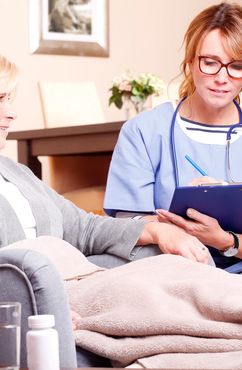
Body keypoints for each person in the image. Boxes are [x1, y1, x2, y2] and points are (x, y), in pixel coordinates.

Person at [0, 43, 211, 277]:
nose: (13, 112)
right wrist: (27, 299)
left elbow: (83, 226)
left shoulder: (8, 168)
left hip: (75, 275)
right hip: (25, 290)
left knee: (172, 258)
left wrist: (156, 232)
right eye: (0, 98)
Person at [104, 2, 242, 270]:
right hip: (170, 270)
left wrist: (226, 240)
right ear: (190, 62)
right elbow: (127, 222)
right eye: (210, 62)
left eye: (236, 65)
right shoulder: (144, 131)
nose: (222, 77)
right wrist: (178, 231)